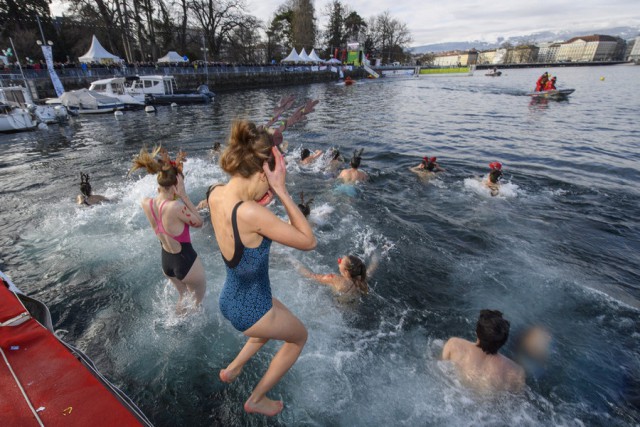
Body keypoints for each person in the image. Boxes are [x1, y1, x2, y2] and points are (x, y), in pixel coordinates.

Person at [207, 120, 316, 417]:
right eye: (269, 178)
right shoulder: (252, 213)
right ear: (260, 172)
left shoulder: (214, 193)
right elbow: (308, 241)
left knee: (268, 330)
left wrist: (260, 197)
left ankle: (232, 369)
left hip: (230, 298)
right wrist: (281, 191)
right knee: (299, 337)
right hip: (252, 310)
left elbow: (240, 224)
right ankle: (257, 398)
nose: (270, 184)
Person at [130, 147, 206, 314]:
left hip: (167, 263)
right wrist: (184, 195)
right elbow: (199, 222)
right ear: (175, 186)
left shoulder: (146, 202)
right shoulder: (176, 207)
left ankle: (176, 325)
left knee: (182, 297)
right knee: (197, 305)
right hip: (186, 262)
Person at [442, 309, 525, 392]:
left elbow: (441, 369)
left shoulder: (454, 345)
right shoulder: (516, 373)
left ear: (477, 331)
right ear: (504, 340)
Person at [296, 254, 377, 297]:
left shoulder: (335, 279)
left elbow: (310, 276)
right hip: (354, 311)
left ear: (345, 270)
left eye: (340, 261)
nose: (339, 260)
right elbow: (372, 267)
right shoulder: (362, 279)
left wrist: (294, 262)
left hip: (339, 312)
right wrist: (376, 257)